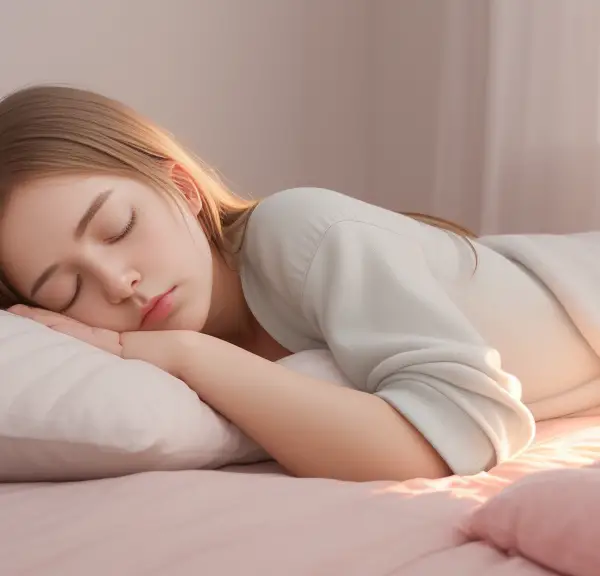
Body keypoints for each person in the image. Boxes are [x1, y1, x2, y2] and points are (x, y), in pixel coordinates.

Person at [1, 85, 600, 483]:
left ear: (182, 189)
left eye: (118, 227)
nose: (117, 283)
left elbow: (456, 435)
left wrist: (187, 354)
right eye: (65, 290)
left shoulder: (298, 229)